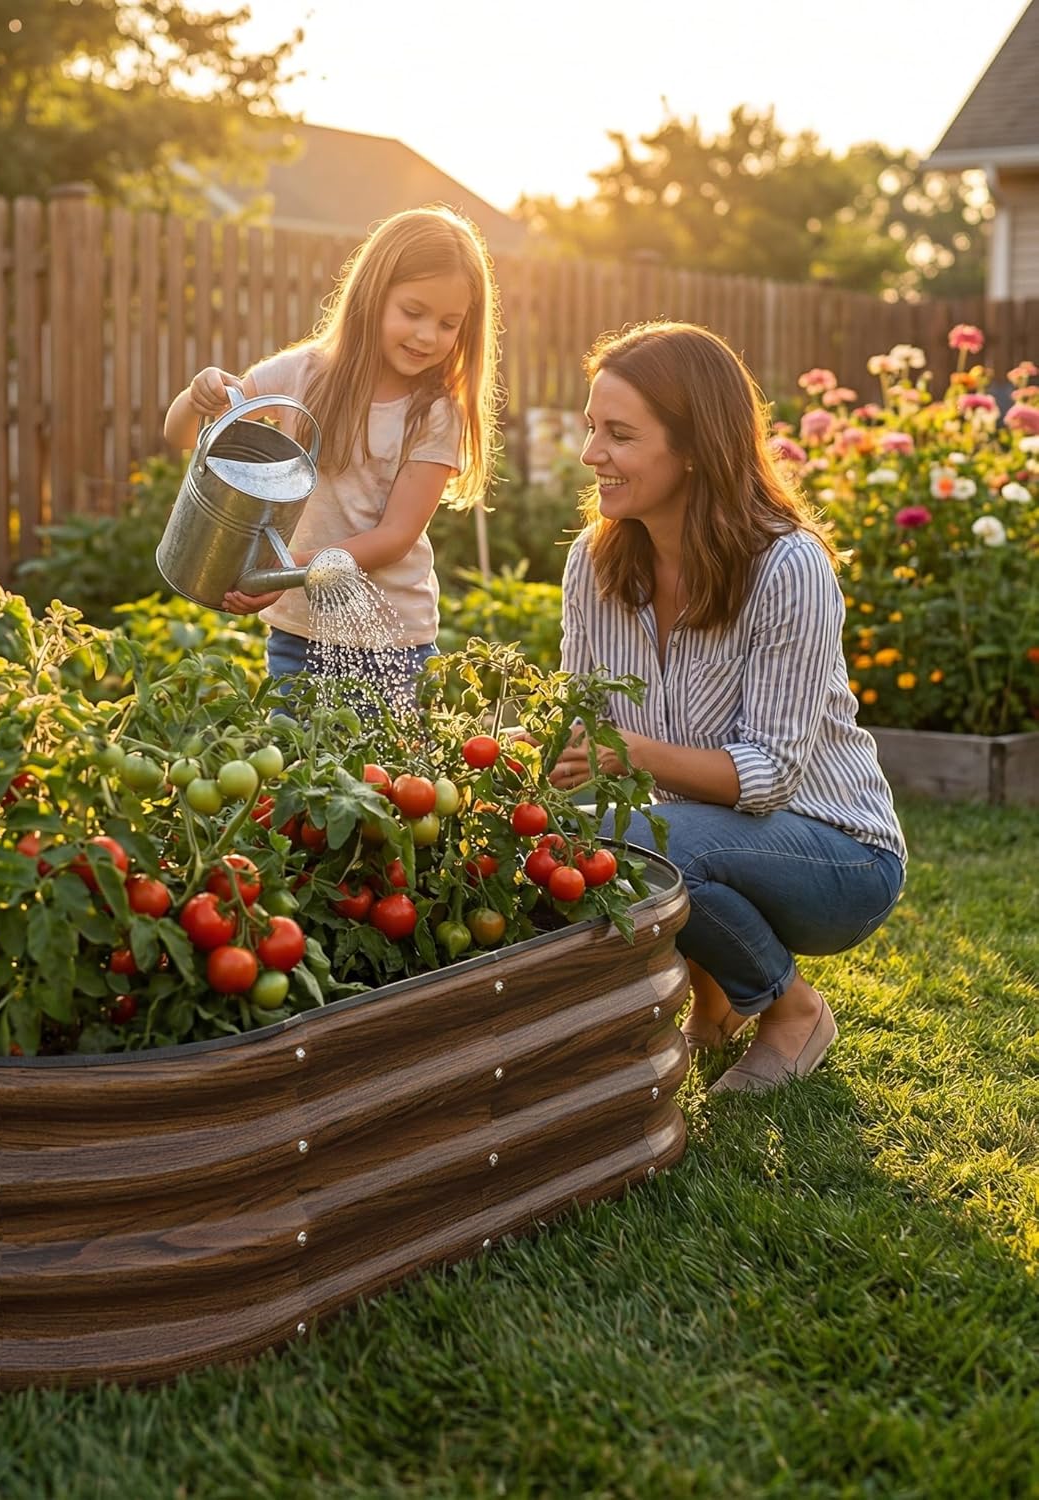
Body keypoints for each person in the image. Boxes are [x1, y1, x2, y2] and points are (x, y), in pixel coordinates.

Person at [551, 321, 906, 1095]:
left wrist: (630, 752)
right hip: (714, 838)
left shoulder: (787, 566)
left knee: (638, 835)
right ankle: (712, 1008)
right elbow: (583, 731)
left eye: (618, 434)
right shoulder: (596, 562)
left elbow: (770, 775)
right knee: (589, 834)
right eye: (590, 428)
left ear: (694, 447)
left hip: (840, 856)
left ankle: (791, 1010)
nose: (590, 455)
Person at [161, 205, 501, 701]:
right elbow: (186, 438)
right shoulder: (303, 373)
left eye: (449, 324)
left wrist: (287, 570)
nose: (428, 335)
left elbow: (394, 537)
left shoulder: (434, 413)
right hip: (298, 634)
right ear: (372, 295)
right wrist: (198, 397)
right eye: (413, 312)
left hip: (392, 642)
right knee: (296, 771)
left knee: (387, 778)